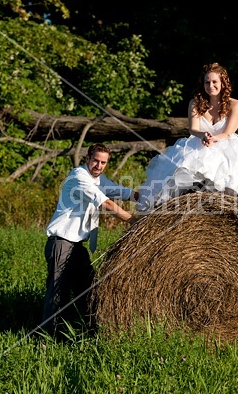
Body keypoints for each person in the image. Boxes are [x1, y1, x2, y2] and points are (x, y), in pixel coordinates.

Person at [136, 62, 238, 212]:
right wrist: (203, 135)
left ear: (223, 83)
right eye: (207, 82)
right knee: (179, 170)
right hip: (199, 143)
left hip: (225, 144)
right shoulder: (195, 103)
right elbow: (193, 129)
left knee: (230, 172)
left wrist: (214, 139)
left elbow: (228, 132)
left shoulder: (235, 105)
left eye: (214, 82)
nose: (211, 86)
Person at [42, 143, 139, 334]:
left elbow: (122, 192)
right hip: (61, 242)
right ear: (87, 159)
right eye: (96, 160)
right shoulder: (79, 177)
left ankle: (89, 330)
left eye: (103, 162)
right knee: (57, 292)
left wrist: (151, 197)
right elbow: (106, 203)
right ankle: (47, 335)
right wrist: (134, 220)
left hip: (76, 246)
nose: (99, 165)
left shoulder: (99, 180)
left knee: (88, 288)